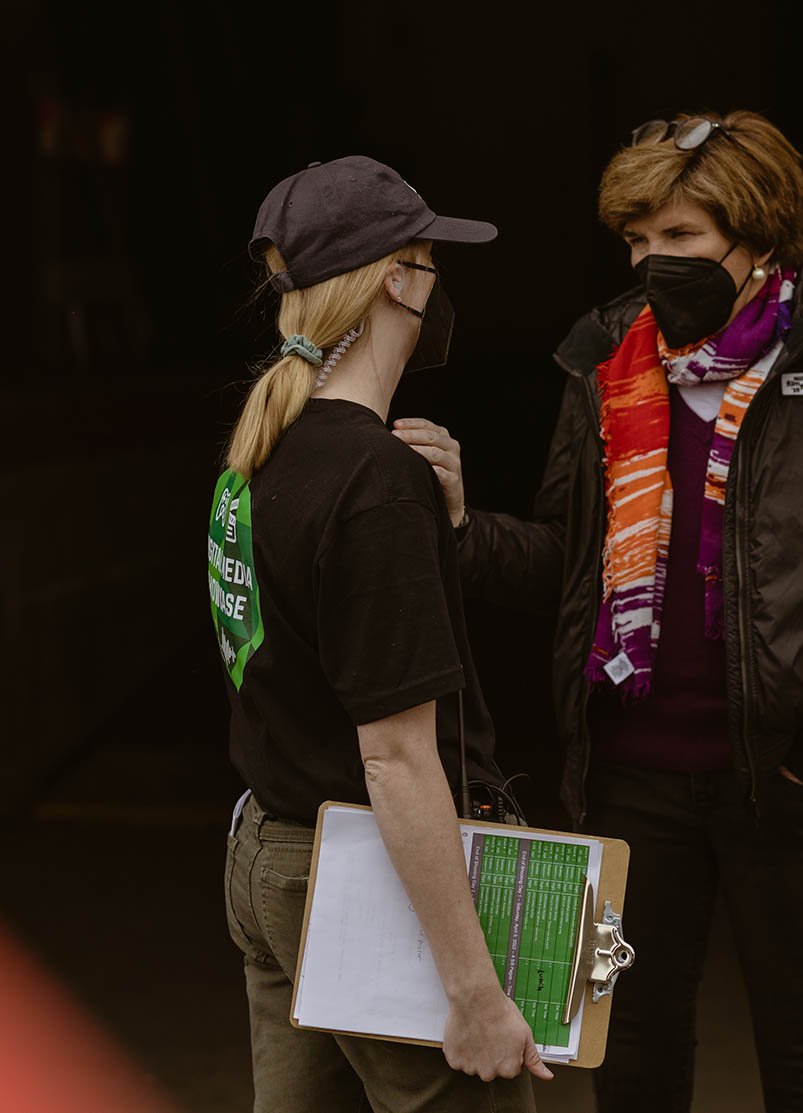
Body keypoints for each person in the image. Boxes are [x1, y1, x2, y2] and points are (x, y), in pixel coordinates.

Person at [395, 111, 803, 1112]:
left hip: (798, 783)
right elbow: (567, 564)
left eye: (682, 237)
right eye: (637, 240)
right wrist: (457, 526)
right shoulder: (608, 355)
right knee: (637, 1071)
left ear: (761, 236)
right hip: (633, 790)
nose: (654, 261)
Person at [210, 155, 552, 1113]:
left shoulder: (262, 446)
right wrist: (476, 995)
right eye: (432, 260)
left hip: (270, 857)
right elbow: (398, 760)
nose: (442, 283)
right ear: (398, 278)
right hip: (358, 874)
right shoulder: (374, 482)